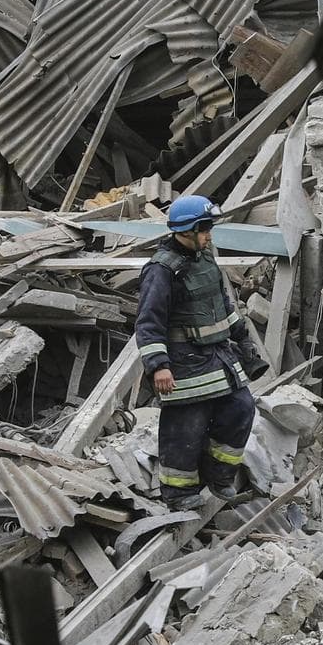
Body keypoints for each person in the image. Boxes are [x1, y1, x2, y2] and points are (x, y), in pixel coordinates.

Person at [134, 195, 271, 509]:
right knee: (186, 427)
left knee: (241, 408)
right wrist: (158, 365)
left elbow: (223, 306)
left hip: (218, 357)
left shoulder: (205, 260)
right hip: (183, 363)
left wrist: (244, 342)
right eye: (204, 229)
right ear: (186, 231)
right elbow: (148, 322)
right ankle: (179, 493)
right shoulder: (161, 270)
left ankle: (218, 475)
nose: (209, 235)